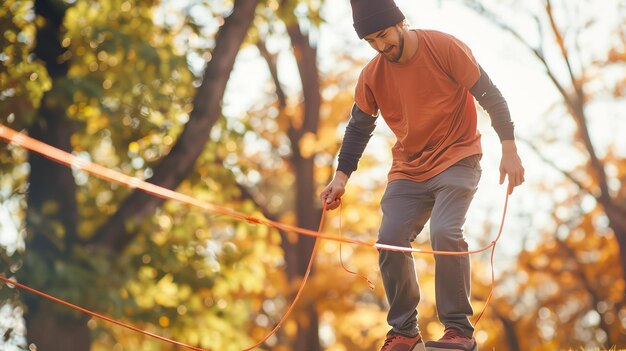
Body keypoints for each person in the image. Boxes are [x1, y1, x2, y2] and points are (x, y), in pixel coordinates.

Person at [319, 0, 525, 350]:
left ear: (400, 22)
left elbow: (490, 95)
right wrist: (341, 177)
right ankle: (404, 332)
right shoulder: (372, 75)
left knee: (445, 231)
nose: (381, 46)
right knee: (390, 237)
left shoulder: (444, 47)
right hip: (408, 170)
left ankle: (458, 330)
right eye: (371, 41)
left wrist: (509, 148)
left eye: (383, 35)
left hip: (458, 158)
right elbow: (358, 128)